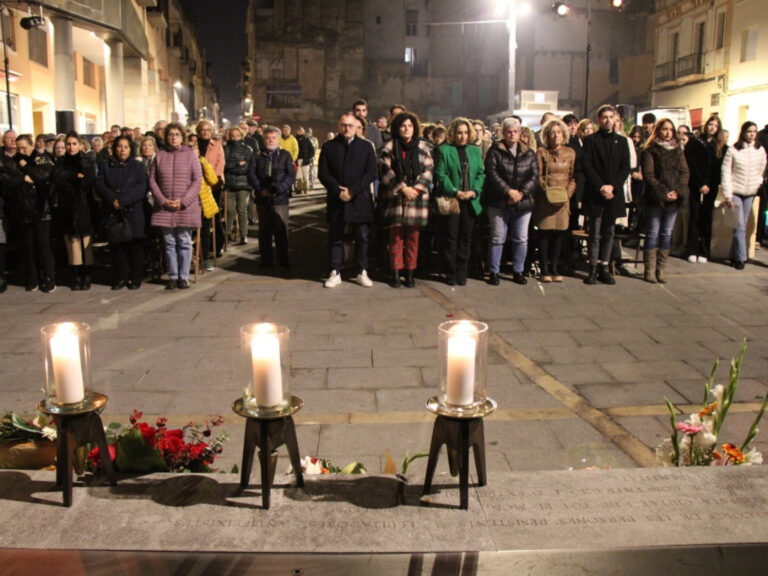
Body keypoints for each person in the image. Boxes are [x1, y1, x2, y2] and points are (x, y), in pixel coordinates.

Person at [318, 112, 377, 288]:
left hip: (359, 199)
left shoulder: (366, 147)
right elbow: (323, 173)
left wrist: (353, 191)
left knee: (362, 237)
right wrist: (338, 191)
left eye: (350, 125)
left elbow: (371, 173)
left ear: (356, 127)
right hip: (337, 200)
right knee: (335, 237)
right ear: (338, 126)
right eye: (344, 125)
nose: (347, 128)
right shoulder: (329, 147)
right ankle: (335, 271)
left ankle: (362, 271)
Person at [378, 112, 433, 288]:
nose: (406, 129)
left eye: (409, 125)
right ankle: (395, 272)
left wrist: (415, 190)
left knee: (413, 239)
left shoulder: (424, 147)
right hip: (396, 198)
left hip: (416, 199)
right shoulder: (388, 146)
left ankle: (410, 273)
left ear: (414, 127)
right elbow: (384, 170)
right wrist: (403, 188)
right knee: (395, 239)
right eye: (403, 126)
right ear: (397, 128)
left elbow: (428, 171)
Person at [483, 117, 538, 285]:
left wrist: (521, 193)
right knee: (497, 237)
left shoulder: (529, 152)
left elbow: (534, 176)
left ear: (520, 133)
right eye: (508, 131)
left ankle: (518, 270)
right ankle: (494, 271)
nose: (512, 135)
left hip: (523, 202)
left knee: (521, 238)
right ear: (503, 133)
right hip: (499, 201)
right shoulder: (495, 151)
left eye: (515, 131)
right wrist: (508, 191)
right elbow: (492, 173)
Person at [581, 104, 631, 285]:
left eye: (611, 117)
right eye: (604, 117)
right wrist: (601, 187)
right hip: (596, 193)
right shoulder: (590, 141)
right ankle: (593, 267)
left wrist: (612, 187)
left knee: (609, 232)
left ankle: (604, 266)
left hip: (613, 194)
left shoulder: (622, 142)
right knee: (594, 232)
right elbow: (587, 166)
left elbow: (625, 168)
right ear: (599, 120)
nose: (608, 120)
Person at [149, 122, 202, 290]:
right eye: (170, 134)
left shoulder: (190, 155)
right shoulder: (160, 155)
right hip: (165, 205)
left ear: (182, 137)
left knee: (184, 241)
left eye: (177, 134)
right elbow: (152, 180)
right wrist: (162, 200)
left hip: (184, 206)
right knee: (169, 242)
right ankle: (173, 275)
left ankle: (184, 276)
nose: (173, 137)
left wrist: (184, 201)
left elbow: (197, 180)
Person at [0, 134, 56, 292]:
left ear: (32, 145)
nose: (21, 151)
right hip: (23, 209)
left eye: (24, 147)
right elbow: (6, 179)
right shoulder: (13, 160)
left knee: (43, 246)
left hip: (41, 208)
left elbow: (43, 176)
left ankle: (49, 278)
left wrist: (26, 166)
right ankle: (32, 277)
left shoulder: (40, 158)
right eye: (18, 148)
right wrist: (24, 178)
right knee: (29, 247)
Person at [434, 117, 484, 286]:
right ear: (452, 134)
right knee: (451, 238)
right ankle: (451, 272)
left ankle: (463, 271)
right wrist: (456, 192)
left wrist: (474, 191)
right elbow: (440, 175)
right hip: (452, 200)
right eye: (459, 133)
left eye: (466, 133)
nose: (463, 136)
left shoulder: (475, 151)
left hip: (470, 200)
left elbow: (480, 174)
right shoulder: (444, 150)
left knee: (466, 238)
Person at [95, 135, 148, 290]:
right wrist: (113, 199)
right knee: (118, 246)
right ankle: (121, 277)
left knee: (135, 245)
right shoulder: (106, 166)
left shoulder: (137, 166)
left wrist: (124, 201)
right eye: (119, 146)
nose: (122, 150)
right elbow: (99, 184)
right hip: (114, 211)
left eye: (125, 147)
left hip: (132, 210)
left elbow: (142, 187)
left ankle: (136, 277)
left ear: (130, 149)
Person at [640, 118, 689, 283]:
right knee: (652, 233)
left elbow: (684, 173)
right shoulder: (650, 151)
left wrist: (678, 191)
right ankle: (649, 270)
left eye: (670, 129)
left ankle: (660, 270)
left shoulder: (678, 151)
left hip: (674, 199)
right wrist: (662, 192)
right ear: (658, 131)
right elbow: (649, 175)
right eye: (664, 129)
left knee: (666, 233)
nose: (668, 133)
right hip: (656, 198)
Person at [49, 131, 97, 290]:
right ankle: (75, 276)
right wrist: (75, 176)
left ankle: (87, 275)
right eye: (68, 144)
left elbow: (88, 180)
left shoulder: (87, 160)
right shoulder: (61, 161)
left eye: (74, 143)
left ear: (80, 144)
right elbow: (58, 178)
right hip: (66, 208)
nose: (71, 147)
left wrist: (75, 179)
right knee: (72, 244)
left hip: (84, 207)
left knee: (85, 244)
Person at [534, 118, 576, 282]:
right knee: (545, 233)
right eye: (552, 132)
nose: (555, 135)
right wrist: (549, 192)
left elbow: (573, 176)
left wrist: (566, 195)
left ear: (563, 134)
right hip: (546, 199)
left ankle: (555, 266)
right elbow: (538, 176)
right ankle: (544, 267)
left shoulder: (571, 152)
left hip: (564, 199)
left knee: (559, 233)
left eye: (558, 132)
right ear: (547, 135)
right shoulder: (541, 152)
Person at [248, 125, 295, 270]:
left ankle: (283, 260)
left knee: (281, 230)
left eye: (273, 138)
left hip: (280, 199)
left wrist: (279, 189)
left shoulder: (285, 155)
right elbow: (251, 174)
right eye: (267, 138)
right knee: (264, 231)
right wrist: (260, 189)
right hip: (262, 199)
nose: (270, 140)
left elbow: (291, 176)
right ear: (263, 139)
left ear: (278, 139)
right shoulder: (256, 155)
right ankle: (266, 260)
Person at [721, 121, 767, 270]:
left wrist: (757, 183)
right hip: (735, 192)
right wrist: (727, 194)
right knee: (739, 225)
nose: (752, 134)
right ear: (743, 133)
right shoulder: (734, 149)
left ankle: (734, 255)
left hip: (750, 193)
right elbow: (726, 171)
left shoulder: (760, 150)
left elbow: (762, 169)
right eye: (749, 131)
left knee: (741, 225)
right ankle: (741, 258)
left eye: (754, 131)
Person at [688, 115, 727, 263]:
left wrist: (710, 185)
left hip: (711, 186)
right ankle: (692, 249)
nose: (712, 128)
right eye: (710, 124)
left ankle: (704, 251)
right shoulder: (696, 142)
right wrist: (699, 184)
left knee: (706, 218)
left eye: (715, 126)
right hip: (696, 184)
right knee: (694, 217)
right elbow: (692, 164)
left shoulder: (720, 146)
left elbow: (719, 169)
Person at [196, 120, 225, 269]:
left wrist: (210, 181)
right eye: (202, 129)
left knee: (214, 217)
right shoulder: (192, 145)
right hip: (196, 186)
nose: (205, 132)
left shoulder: (217, 146)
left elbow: (219, 166)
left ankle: (217, 245)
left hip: (212, 186)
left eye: (208, 129)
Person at [224, 126, 254, 245]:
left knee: (242, 210)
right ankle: (227, 234)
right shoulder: (225, 149)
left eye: (237, 135)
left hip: (244, 184)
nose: (235, 138)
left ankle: (243, 235)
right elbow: (224, 165)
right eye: (232, 136)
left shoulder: (248, 149)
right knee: (229, 211)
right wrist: (238, 164)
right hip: (229, 184)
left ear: (241, 136)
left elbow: (249, 167)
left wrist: (233, 168)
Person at [295, 127, 315, 194]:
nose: (300, 132)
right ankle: (299, 189)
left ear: (303, 132)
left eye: (301, 131)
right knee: (298, 176)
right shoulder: (294, 139)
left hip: (305, 160)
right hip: (297, 160)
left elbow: (312, 150)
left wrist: (308, 158)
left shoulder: (307, 140)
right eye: (299, 131)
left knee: (305, 175)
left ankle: (306, 188)